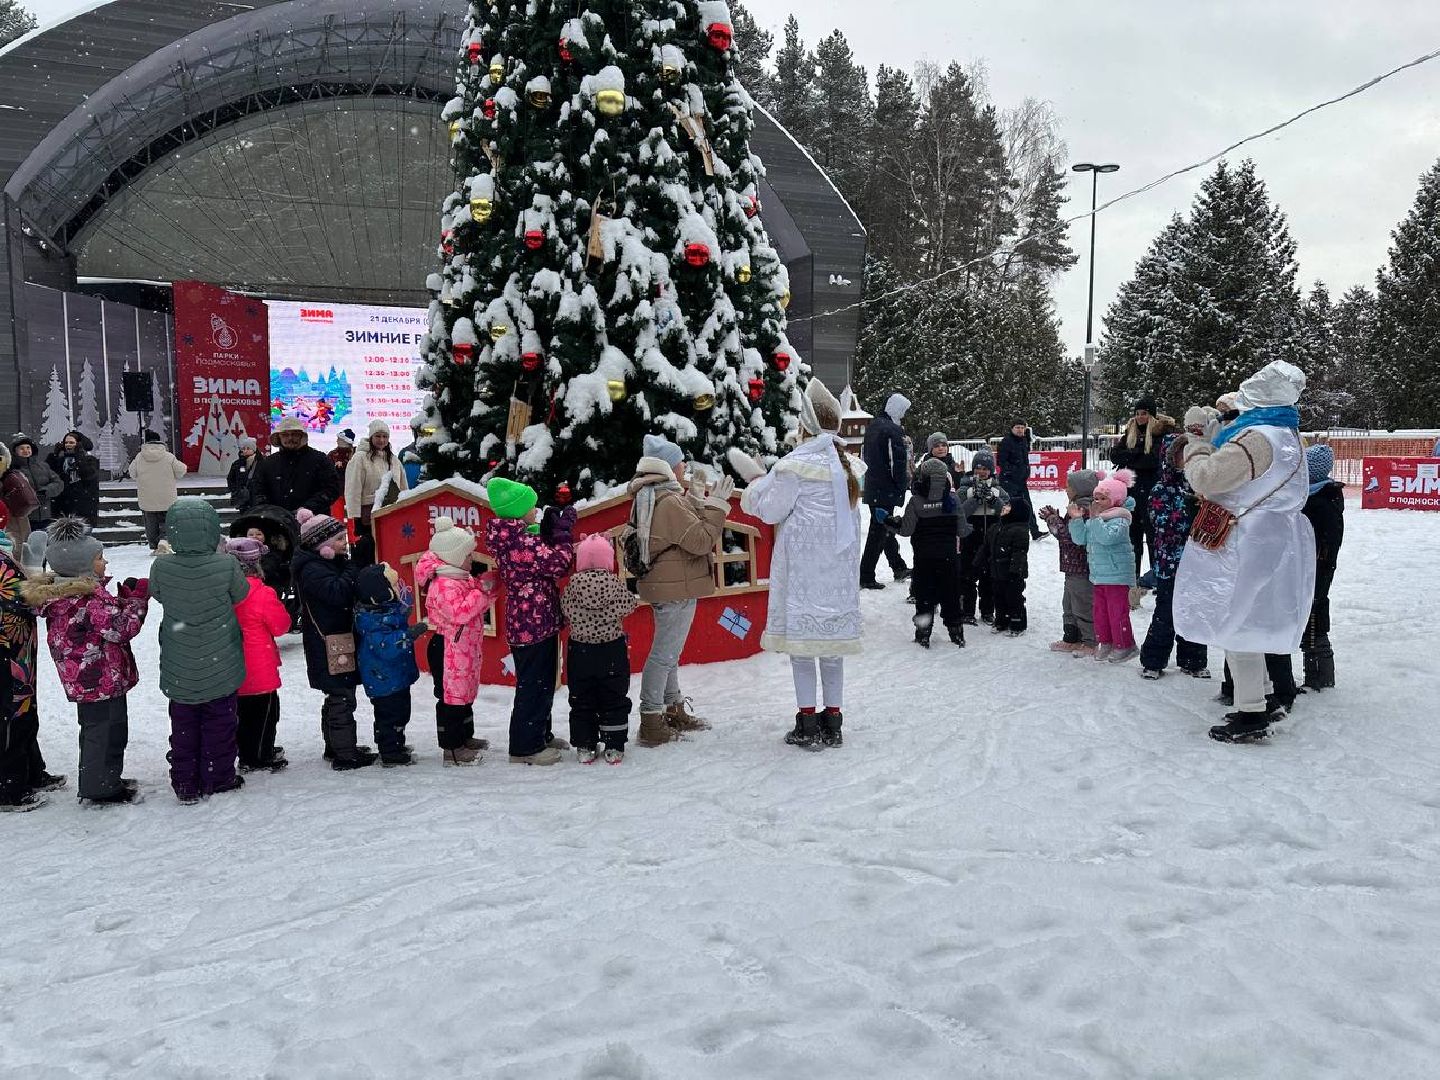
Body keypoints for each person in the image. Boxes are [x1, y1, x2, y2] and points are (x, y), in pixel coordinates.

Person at [1174, 360, 1315, 743]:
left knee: (1234, 621)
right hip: (1275, 540)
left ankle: (1250, 711)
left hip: (1245, 540)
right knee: (1253, 618)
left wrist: (1197, 441)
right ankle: (1264, 696)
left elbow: (1206, 477)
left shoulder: (1255, 437)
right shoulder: (1288, 434)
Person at [732, 378, 863, 750]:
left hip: (804, 574)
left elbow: (771, 509)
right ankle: (833, 722)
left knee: (803, 652)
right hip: (837, 575)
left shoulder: (794, 466)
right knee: (833, 653)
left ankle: (807, 723)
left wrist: (756, 480)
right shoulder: (849, 466)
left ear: (804, 424)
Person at [35, 518, 148, 805]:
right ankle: (99, 786)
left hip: (90, 678)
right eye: (99, 558)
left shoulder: (73, 593)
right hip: (99, 677)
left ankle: (104, 778)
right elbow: (121, 629)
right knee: (105, 731)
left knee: (100, 730)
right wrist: (136, 602)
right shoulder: (87, 598)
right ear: (81, 565)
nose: (105, 562)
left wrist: (119, 600)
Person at [627, 434, 727, 745]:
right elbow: (700, 540)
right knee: (664, 654)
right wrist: (717, 507)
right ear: (670, 466)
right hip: (674, 588)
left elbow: (680, 532)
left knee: (669, 653)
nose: (685, 466)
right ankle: (652, 720)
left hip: (665, 585)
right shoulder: (668, 501)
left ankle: (671, 709)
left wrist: (696, 500)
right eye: (681, 461)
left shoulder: (652, 495)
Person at [149, 497, 250, 802]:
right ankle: (217, 776)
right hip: (220, 657)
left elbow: (158, 594)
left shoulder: (162, 566)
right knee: (220, 722)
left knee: (183, 724)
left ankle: (185, 781)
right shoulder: (226, 564)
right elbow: (241, 593)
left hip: (180, 660)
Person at [485, 478, 577, 766]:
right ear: (517, 511)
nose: (536, 510)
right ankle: (525, 747)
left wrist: (543, 534)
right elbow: (557, 564)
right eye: (531, 507)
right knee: (534, 686)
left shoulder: (514, 537)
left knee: (544, 682)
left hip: (536, 620)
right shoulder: (519, 543)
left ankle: (541, 734)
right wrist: (562, 537)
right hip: (532, 624)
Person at [293, 509, 377, 770]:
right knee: (341, 697)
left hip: (334, 640)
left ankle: (336, 746)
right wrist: (354, 566)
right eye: (340, 539)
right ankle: (345, 754)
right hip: (328, 643)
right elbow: (339, 593)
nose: (345, 543)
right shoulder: (312, 569)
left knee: (336, 695)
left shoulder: (323, 564)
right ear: (323, 545)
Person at [414, 517, 499, 766]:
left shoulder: (460, 578)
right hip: (448, 647)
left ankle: (465, 737)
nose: (472, 559)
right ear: (453, 557)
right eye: (468, 555)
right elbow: (460, 612)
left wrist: (485, 589)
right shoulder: (443, 584)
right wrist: (481, 592)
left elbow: (477, 601)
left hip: (463, 647)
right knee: (451, 698)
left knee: (464, 694)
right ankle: (451, 749)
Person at [562, 534, 640, 764]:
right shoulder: (614, 584)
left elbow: (564, 608)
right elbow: (629, 604)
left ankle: (585, 745)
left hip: (580, 651)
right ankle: (614, 745)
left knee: (581, 698)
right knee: (614, 697)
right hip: (611, 650)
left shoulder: (573, 586)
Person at [1139, 434, 1209, 680]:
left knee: (1194, 611)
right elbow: (1161, 524)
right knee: (1166, 613)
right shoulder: (1162, 488)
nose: (1187, 458)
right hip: (1170, 562)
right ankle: (1153, 660)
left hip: (1197, 562)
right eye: (1182, 453)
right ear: (1171, 458)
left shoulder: (1201, 486)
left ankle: (1193, 660)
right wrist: (1189, 515)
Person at [885, 454, 966, 648]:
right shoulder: (953, 500)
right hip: (949, 558)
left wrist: (891, 523)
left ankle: (923, 633)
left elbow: (906, 530)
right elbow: (962, 530)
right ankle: (956, 633)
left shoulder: (916, 501)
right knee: (951, 595)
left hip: (924, 559)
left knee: (925, 596)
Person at [227, 537, 292, 773]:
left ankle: (246, 751)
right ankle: (259, 755)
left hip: (231, 660)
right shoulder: (261, 593)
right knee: (265, 712)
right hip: (258, 662)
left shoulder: (223, 591)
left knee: (241, 713)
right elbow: (281, 626)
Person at [354, 563, 427, 768]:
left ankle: (397, 744)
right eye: (395, 587)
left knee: (402, 712)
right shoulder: (372, 622)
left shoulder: (386, 610)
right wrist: (410, 634)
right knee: (389, 715)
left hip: (396, 676)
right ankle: (390, 751)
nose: (399, 590)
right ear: (382, 593)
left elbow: (398, 615)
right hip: (384, 679)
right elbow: (387, 647)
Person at [1068, 469, 1139, 664]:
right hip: (1099, 575)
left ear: (1115, 500)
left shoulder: (1121, 519)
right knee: (1100, 613)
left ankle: (1125, 645)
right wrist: (1076, 520)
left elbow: (1107, 538)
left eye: (1102, 498)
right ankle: (1106, 642)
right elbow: (1080, 539)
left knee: (1117, 613)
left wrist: (1095, 519)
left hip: (1116, 575)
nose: (1097, 502)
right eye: (1096, 498)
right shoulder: (1096, 519)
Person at [1108, 397, 1177, 574]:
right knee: (1133, 537)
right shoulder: (1130, 432)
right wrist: (1137, 452)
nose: (1140, 417)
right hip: (1132, 492)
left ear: (1152, 415)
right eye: (1137, 414)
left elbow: (1152, 460)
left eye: (1144, 414)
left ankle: (1156, 575)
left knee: (1154, 536)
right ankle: (1134, 575)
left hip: (1153, 493)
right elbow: (1115, 455)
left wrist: (1131, 455)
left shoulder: (1161, 434)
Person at [1038, 470, 1100, 657]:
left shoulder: (1085, 509)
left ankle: (1090, 641)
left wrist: (1052, 519)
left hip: (1081, 567)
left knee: (1082, 605)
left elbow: (1070, 537)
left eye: (1069, 486)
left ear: (1080, 489)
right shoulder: (1076, 505)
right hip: (1072, 567)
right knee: (1069, 605)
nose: (1066, 489)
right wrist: (1056, 517)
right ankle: (1071, 638)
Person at [1298, 445, 1344, 690]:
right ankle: (1317, 674)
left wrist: (1318, 563)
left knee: (1314, 621)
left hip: (1317, 570)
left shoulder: (1320, 502)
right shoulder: (1319, 495)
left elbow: (1324, 541)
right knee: (1310, 619)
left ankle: (1320, 677)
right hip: (1313, 569)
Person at [859, 393, 912, 589]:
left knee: (884, 527)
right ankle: (866, 575)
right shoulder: (892, 430)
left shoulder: (873, 427)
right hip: (886, 489)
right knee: (878, 532)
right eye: (903, 411)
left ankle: (898, 566)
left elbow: (865, 457)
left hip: (874, 486)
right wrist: (901, 485)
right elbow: (896, 463)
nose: (904, 415)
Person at [344, 420, 409, 567]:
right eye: (378, 436)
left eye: (385, 436)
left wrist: (405, 506)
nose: (381, 440)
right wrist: (354, 514)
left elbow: (403, 486)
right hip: (368, 513)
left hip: (391, 512)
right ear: (371, 437)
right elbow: (353, 487)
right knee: (369, 549)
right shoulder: (360, 458)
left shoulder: (393, 460)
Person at [956, 449, 1010, 626]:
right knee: (968, 575)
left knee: (989, 576)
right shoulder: (964, 488)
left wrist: (993, 500)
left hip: (990, 537)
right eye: (978, 468)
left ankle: (987, 610)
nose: (982, 472)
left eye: (985, 469)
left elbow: (1005, 511)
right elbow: (961, 512)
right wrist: (976, 499)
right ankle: (967, 611)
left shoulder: (998, 489)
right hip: (970, 536)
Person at [248, 417, 341, 517]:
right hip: (278, 523)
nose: (290, 438)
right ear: (279, 437)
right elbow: (258, 491)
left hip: (314, 523)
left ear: (301, 436)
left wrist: (308, 508)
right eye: (285, 435)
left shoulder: (319, 459)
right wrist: (271, 512)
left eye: (294, 434)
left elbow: (332, 489)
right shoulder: (268, 463)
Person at [127, 431, 187, 551]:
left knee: (150, 522)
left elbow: (132, 473)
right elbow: (181, 470)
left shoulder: (139, 457)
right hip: (166, 496)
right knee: (167, 519)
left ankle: (154, 544)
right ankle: (164, 540)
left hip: (147, 496)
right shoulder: (168, 456)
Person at [989, 498, 1031, 636]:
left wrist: (1015, 571)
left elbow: (1019, 552)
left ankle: (1017, 623)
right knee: (998, 597)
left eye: (1008, 506)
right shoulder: (997, 527)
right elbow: (986, 547)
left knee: (1014, 598)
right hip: (997, 570)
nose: (1004, 507)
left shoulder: (1020, 530)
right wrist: (977, 563)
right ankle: (1001, 621)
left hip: (1012, 573)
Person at [997, 421, 1045, 541]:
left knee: (1027, 505)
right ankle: (1005, 531)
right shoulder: (1006, 442)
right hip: (1008, 481)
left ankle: (1034, 531)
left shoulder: (1023, 441)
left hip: (1021, 481)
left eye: (1022, 428)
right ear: (1012, 429)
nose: (1020, 430)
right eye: (1017, 427)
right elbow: (1001, 462)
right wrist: (1014, 471)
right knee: (1010, 507)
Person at [10, 435, 63, 534]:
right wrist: (29, 496)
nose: (26, 450)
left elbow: (58, 483)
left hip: (46, 515)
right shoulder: (11, 470)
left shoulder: (43, 466)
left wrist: (45, 491)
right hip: (24, 518)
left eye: (28, 448)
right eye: (21, 448)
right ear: (15, 451)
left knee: (45, 544)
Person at [47, 431, 101, 526]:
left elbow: (87, 474)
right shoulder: (61, 460)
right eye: (66, 442)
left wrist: (79, 454)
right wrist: (54, 456)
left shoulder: (90, 460)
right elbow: (48, 473)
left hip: (83, 506)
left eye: (71, 443)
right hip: (62, 506)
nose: (68, 445)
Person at [0, 442, 39, 547]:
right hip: (16, 516)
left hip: (12, 518)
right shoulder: (14, 475)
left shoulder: (8, 477)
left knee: (17, 545)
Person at [227, 437, 259, 511]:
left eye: (248, 448)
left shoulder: (260, 463)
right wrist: (235, 490)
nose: (245, 451)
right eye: (243, 449)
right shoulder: (237, 464)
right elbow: (230, 479)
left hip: (256, 497)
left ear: (253, 450)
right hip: (242, 498)